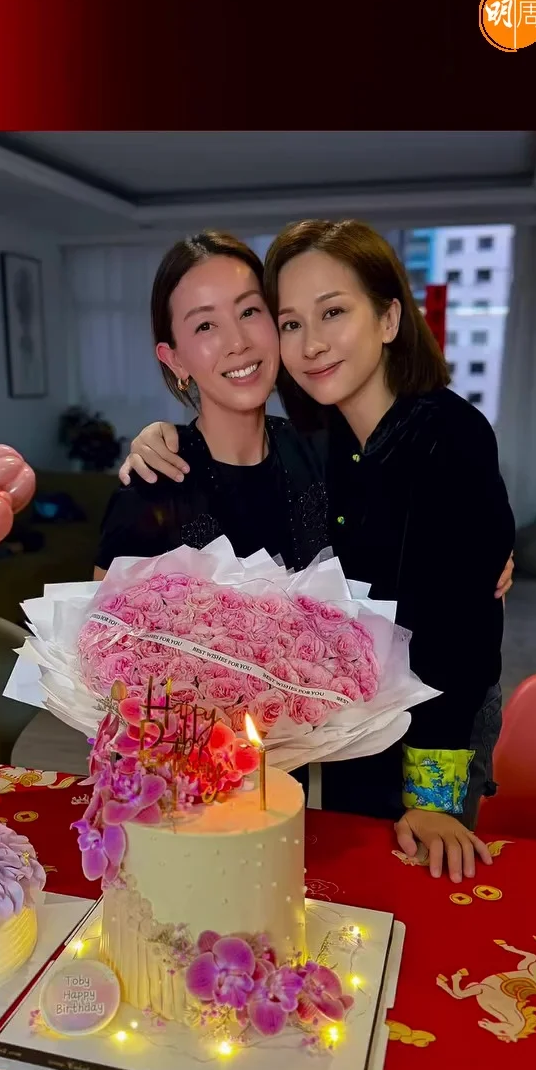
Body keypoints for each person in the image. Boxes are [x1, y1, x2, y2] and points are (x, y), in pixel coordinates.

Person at [117, 220, 516, 884]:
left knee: (413, 891)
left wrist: (433, 799)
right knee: (348, 890)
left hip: (437, 730)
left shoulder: (446, 435)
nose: (311, 344)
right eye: (291, 323)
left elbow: (462, 640)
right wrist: (158, 435)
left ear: (389, 318)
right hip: (358, 720)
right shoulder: (321, 436)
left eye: (333, 313)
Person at [94, 231, 331, 798]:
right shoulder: (153, 484)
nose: (238, 342)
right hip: (183, 785)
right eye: (205, 326)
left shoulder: (322, 455)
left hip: (313, 769)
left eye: (249, 311)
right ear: (174, 359)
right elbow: (105, 661)